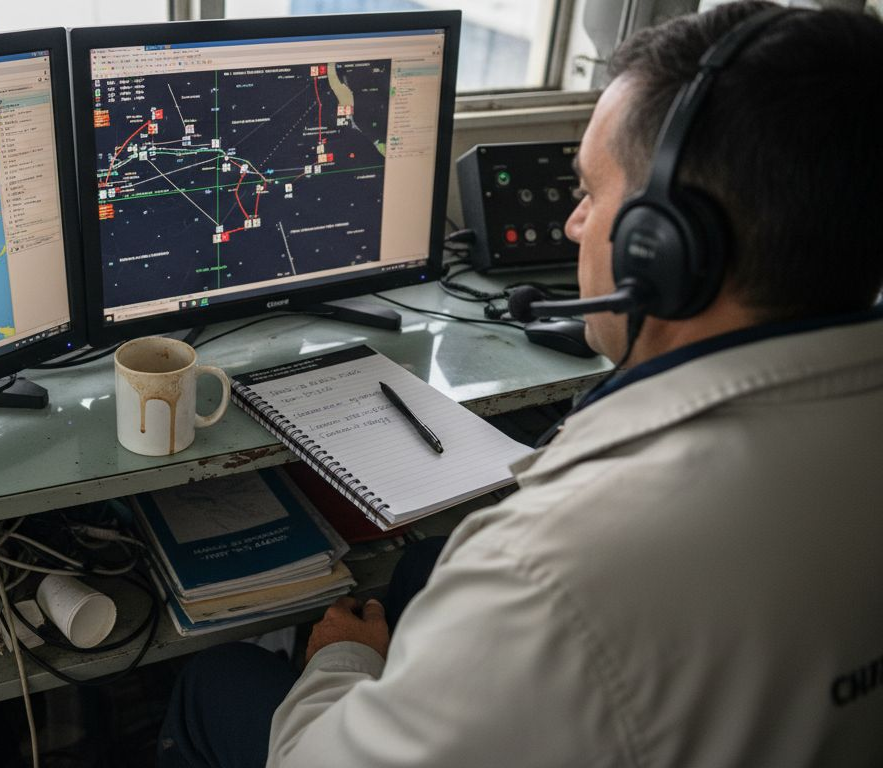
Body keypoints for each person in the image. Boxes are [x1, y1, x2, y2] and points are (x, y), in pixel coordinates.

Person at [158, 2, 883, 766]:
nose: (572, 226)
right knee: (418, 568)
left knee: (217, 679)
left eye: (590, 194)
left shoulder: (545, 574)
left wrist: (341, 661)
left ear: (662, 250)